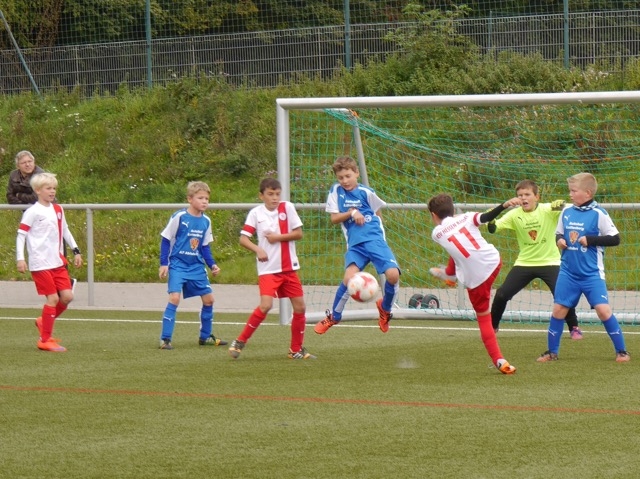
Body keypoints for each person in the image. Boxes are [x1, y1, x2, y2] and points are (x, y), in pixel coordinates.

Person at [537, 173, 630, 363]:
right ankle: (552, 352)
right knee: (558, 310)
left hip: (591, 274)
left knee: (603, 311)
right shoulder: (566, 212)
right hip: (568, 272)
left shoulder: (598, 214)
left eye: (574, 191)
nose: (570, 194)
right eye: (570, 190)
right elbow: (559, 234)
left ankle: (622, 351)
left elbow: (615, 238)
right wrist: (560, 241)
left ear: (587, 193)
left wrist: (591, 240)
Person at [428, 193, 518, 375]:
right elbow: (487, 216)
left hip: (476, 279)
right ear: (453, 209)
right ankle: (451, 274)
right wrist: (504, 204)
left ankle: (499, 360)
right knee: (459, 250)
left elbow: (452, 239)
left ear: (433, 215)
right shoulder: (468, 217)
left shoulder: (437, 233)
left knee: (483, 318)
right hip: (493, 262)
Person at [228, 178, 315, 360]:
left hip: (289, 268)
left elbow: (299, 233)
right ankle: (240, 341)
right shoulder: (256, 213)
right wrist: (258, 249)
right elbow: (243, 239)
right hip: (268, 269)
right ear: (261, 196)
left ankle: (295, 350)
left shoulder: (287, 208)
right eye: (270, 194)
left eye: (277, 194)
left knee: (300, 307)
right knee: (266, 305)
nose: (275, 198)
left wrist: (277, 237)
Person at [314, 156, 400, 335]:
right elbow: (334, 218)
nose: (344, 181)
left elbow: (377, 214)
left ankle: (385, 309)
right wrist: (352, 213)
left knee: (393, 275)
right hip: (355, 245)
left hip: (375, 241)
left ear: (356, 173)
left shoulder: (366, 192)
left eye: (348, 176)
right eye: (341, 177)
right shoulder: (336, 191)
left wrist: (377, 235)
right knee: (348, 279)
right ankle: (334, 316)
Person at [487, 179, 582, 339]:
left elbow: (570, 211)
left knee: (562, 295)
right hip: (525, 263)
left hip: (550, 262)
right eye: (520, 195)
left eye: (527, 194)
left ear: (537, 197)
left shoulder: (547, 209)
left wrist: (562, 205)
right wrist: (491, 219)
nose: (523, 198)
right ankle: (492, 327)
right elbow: (493, 229)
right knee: (502, 294)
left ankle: (574, 327)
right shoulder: (514, 214)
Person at [16, 172, 83, 352]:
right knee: (53, 299)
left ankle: (43, 321)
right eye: (48, 188)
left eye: (54, 188)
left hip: (57, 261)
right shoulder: (32, 212)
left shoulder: (58, 209)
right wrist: (20, 258)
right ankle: (44, 340)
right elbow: (21, 235)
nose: (52, 191)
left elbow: (65, 230)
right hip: (40, 263)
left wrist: (76, 250)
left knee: (67, 297)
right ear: (38, 190)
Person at [158, 181, 227, 350]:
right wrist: (164, 263)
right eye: (200, 198)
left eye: (207, 199)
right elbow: (166, 239)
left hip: (196, 266)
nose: (204, 201)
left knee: (209, 300)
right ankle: (165, 339)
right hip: (178, 264)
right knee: (174, 298)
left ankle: (205, 337)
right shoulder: (179, 217)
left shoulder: (206, 221)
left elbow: (204, 246)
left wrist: (212, 265)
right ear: (190, 199)